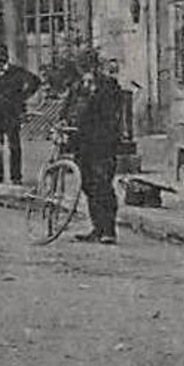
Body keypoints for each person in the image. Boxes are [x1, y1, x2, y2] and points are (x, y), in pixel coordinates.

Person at [68, 64, 123, 244]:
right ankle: (97, 228)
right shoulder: (77, 88)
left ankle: (109, 230)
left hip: (102, 145)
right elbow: (68, 109)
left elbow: (111, 117)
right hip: (82, 145)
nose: (86, 80)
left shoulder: (108, 88)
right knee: (86, 184)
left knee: (102, 184)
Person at [0, 53, 41, 185]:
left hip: (12, 113)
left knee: (14, 146)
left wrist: (22, 97)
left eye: (0, 57)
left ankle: (16, 177)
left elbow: (35, 81)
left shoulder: (16, 72)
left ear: (6, 57)